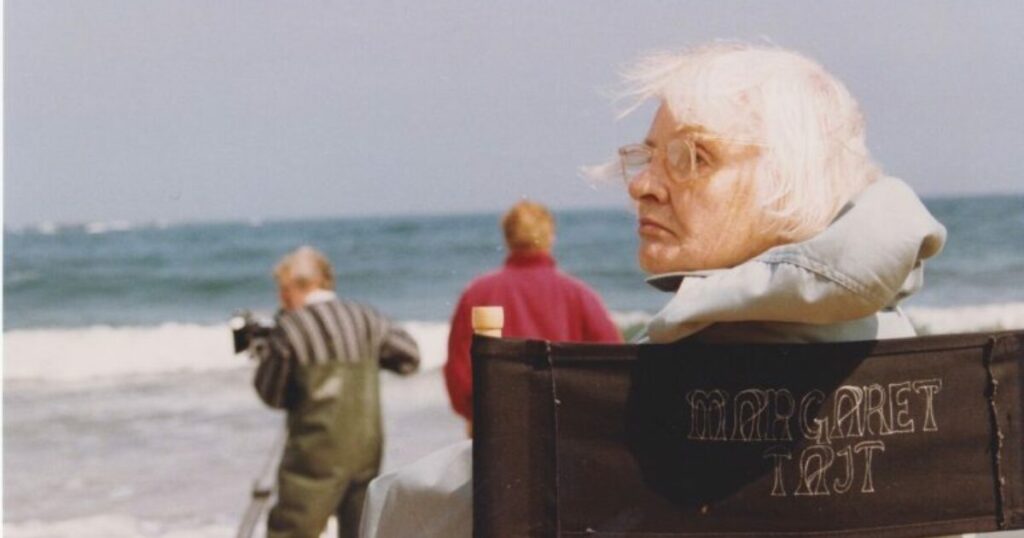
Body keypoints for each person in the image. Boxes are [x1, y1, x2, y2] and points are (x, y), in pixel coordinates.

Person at [359, 43, 946, 538]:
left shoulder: (666, 396)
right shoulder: (921, 382)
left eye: (691, 157)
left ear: (789, 182)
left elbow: (417, 511)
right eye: (645, 158)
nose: (641, 185)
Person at [251, 246, 420, 538]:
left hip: (313, 456)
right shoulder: (366, 317)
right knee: (360, 531)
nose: (282, 299)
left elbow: (271, 394)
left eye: (284, 290)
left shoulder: (291, 328)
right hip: (367, 449)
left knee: (290, 530)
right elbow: (409, 358)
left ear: (299, 286)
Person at [444, 200, 621, 426]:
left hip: (496, 422)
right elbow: (611, 364)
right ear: (551, 237)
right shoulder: (579, 294)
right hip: (565, 424)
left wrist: (476, 411)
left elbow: (458, 371)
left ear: (507, 238)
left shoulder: (477, 293)